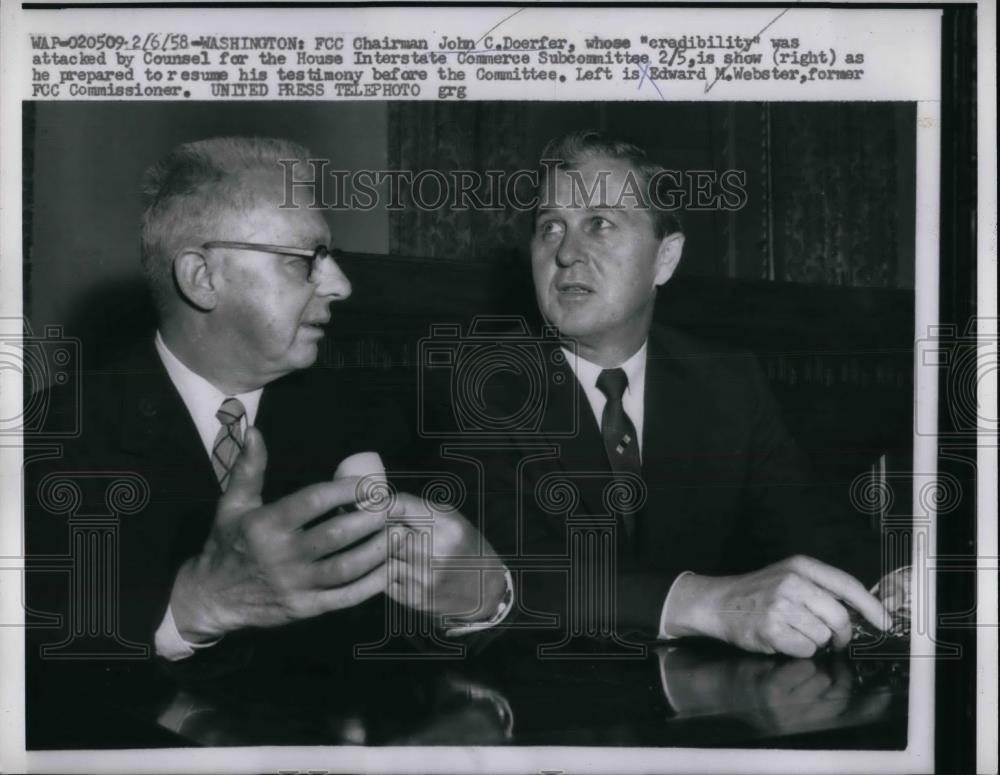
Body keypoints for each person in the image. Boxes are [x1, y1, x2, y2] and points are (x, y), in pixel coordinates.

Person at [24, 137, 509, 744]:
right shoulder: (50, 437)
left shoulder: (389, 413)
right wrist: (197, 605)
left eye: (329, 255)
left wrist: (482, 599)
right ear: (202, 278)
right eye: (304, 258)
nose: (340, 285)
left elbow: (430, 632)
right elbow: (34, 662)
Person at [469, 130, 888, 658]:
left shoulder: (726, 381)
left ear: (665, 259)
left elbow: (805, 519)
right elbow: (504, 575)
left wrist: (893, 580)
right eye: (550, 227)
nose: (568, 252)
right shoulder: (474, 383)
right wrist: (714, 603)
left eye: (599, 223)